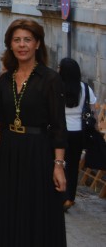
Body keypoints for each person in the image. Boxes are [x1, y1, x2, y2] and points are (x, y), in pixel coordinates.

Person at [0, 19, 67, 247]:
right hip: (9, 152)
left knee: (37, 210)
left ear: (37, 44)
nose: (22, 45)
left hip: (38, 152)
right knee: (9, 209)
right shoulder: (4, 79)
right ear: (10, 45)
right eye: (17, 40)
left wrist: (58, 165)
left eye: (27, 40)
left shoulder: (50, 79)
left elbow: (59, 126)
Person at [58, 57, 97, 212]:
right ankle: (69, 198)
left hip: (59, 130)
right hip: (78, 132)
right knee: (73, 166)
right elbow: (93, 110)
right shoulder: (85, 89)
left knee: (57, 163)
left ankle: (58, 195)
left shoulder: (56, 87)